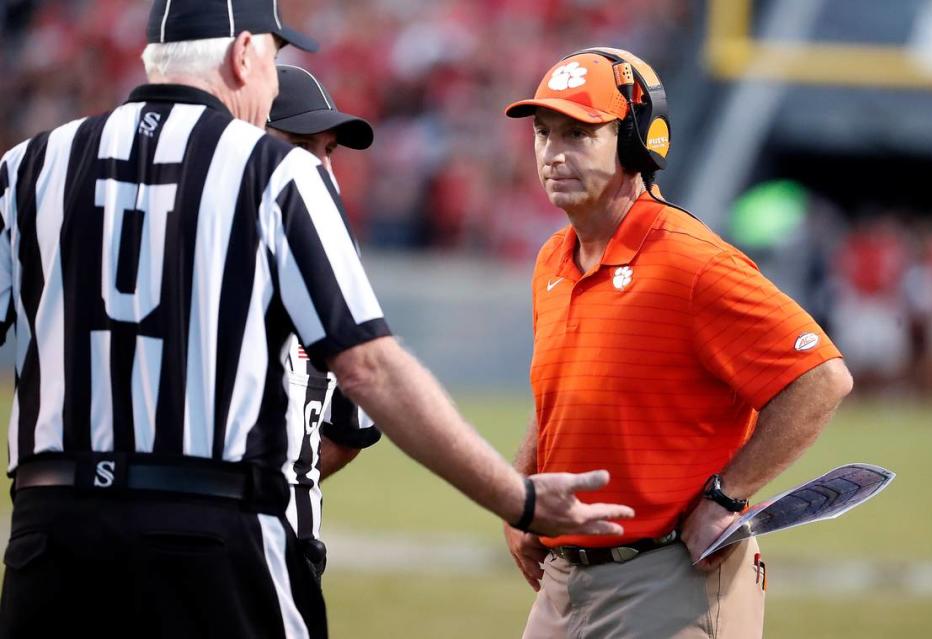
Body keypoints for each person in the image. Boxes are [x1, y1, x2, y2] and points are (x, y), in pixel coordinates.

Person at [0, 3, 635, 636]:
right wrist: (515, 497)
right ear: (243, 54)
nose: (273, 81)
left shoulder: (26, 167)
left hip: (49, 527)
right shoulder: (275, 171)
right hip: (211, 528)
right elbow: (370, 369)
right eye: (275, 61)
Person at [502, 47, 854, 639]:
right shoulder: (552, 259)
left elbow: (821, 377)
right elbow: (562, 398)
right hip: (566, 584)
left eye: (579, 132)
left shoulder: (691, 262)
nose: (553, 153)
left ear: (637, 141)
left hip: (671, 580)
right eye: (544, 133)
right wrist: (523, 494)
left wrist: (726, 495)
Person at [267, 64, 380, 573]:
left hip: (289, 550)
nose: (319, 166)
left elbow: (351, 429)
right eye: (299, 143)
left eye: (327, 150)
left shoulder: (337, 252)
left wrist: (287, 478)